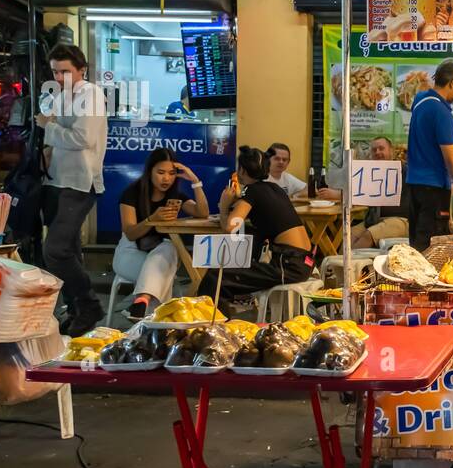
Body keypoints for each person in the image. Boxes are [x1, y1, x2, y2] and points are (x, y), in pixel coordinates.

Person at [38, 43, 108, 336]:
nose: (60, 76)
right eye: (55, 71)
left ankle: (88, 303)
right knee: (69, 250)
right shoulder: (59, 95)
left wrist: (48, 127)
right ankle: (77, 309)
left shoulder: (90, 93)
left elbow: (83, 137)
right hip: (56, 180)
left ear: (82, 70)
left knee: (55, 250)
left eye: (65, 71)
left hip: (79, 182)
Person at [198, 146, 314, 312]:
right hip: (304, 261)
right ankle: (228, 316)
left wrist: (224, 206)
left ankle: (216, 327)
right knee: (229, 271)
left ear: (242, 170)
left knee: (215, 278)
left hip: (287, 265)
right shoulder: (275, 189)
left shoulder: (252, 191)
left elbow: (230, 227)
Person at [114, 148, 209, 320]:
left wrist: (195, 181)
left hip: (157, 254)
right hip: (129, 254)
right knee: (163, 271)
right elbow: (130, 233)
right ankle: (160, 325)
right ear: (149, 171)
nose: (166, 178)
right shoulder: (131, 193)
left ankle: (141, 302)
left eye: (172, 173)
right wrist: (152, 219)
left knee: (168, 247)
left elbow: (202, 213)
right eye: (160, 172)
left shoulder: (174, 196)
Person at [406, 59, 453, 250]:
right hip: (433, 190)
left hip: (413, 186)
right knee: (432, 247)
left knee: (417, 242)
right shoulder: (441, 113)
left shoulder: (420, 101)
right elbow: (451, 159)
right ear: (452, 83)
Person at [353, 136, 409, 248]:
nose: (377, 152)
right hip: (374, 220)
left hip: (401, 220)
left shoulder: (404, 170)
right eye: (374, 150)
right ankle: (336, 265)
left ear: (391, 151)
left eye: (381, 148)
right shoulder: (368, 174)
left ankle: (350, 265)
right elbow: (356, 193)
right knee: (348, 235)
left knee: (368, 235)